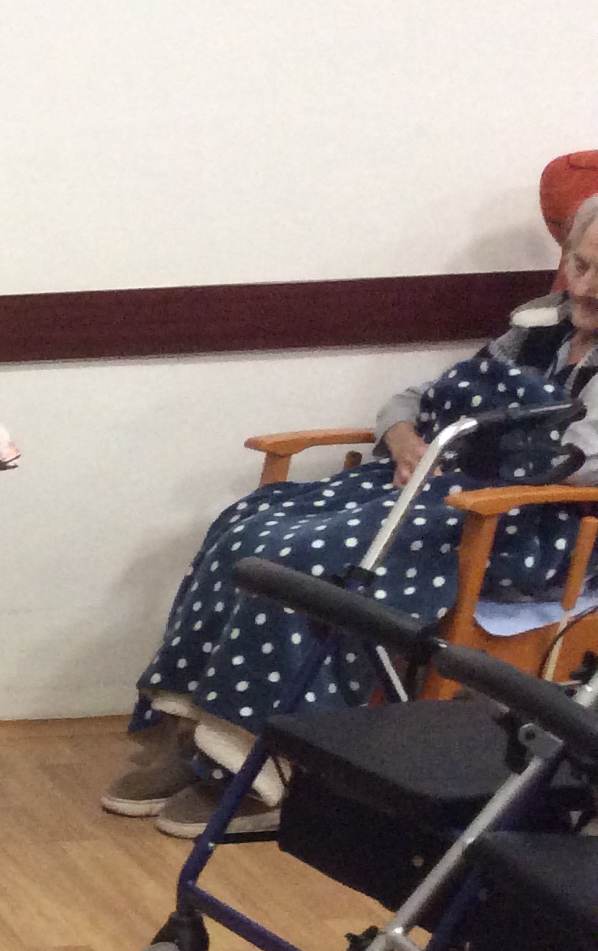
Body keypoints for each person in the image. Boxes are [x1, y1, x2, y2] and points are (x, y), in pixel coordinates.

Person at [108, 193, 598, 840]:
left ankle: (264, 767)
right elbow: (419, 397)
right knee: (247, 524)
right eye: (580, 265)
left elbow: (578, 464)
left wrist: (484, 449)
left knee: (309, 559)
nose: (584, 288)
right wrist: (402, 435)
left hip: (530, 525)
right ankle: (200, 731)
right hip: (440, 487)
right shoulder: (538, 327)